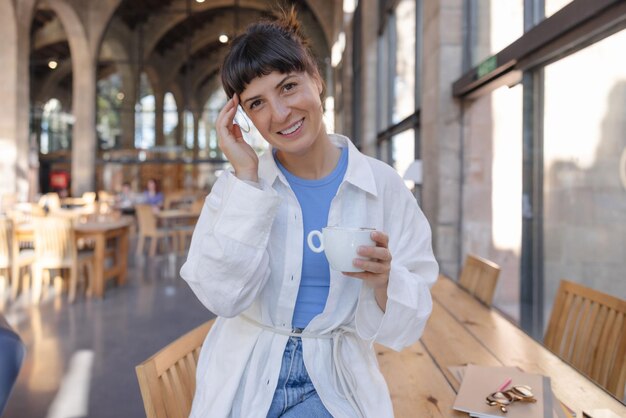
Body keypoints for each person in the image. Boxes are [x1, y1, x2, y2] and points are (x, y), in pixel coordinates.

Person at [180, 7, 438, 418]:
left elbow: (412, 319)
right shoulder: (238, 188)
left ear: (316, 79)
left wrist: (385, 281)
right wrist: (247, 175)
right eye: (257, 103)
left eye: (288, 87)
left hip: (333, 375)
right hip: (249, 371)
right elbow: (219, 296)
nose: (280, 114)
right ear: (243, 118)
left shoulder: (382, 185)